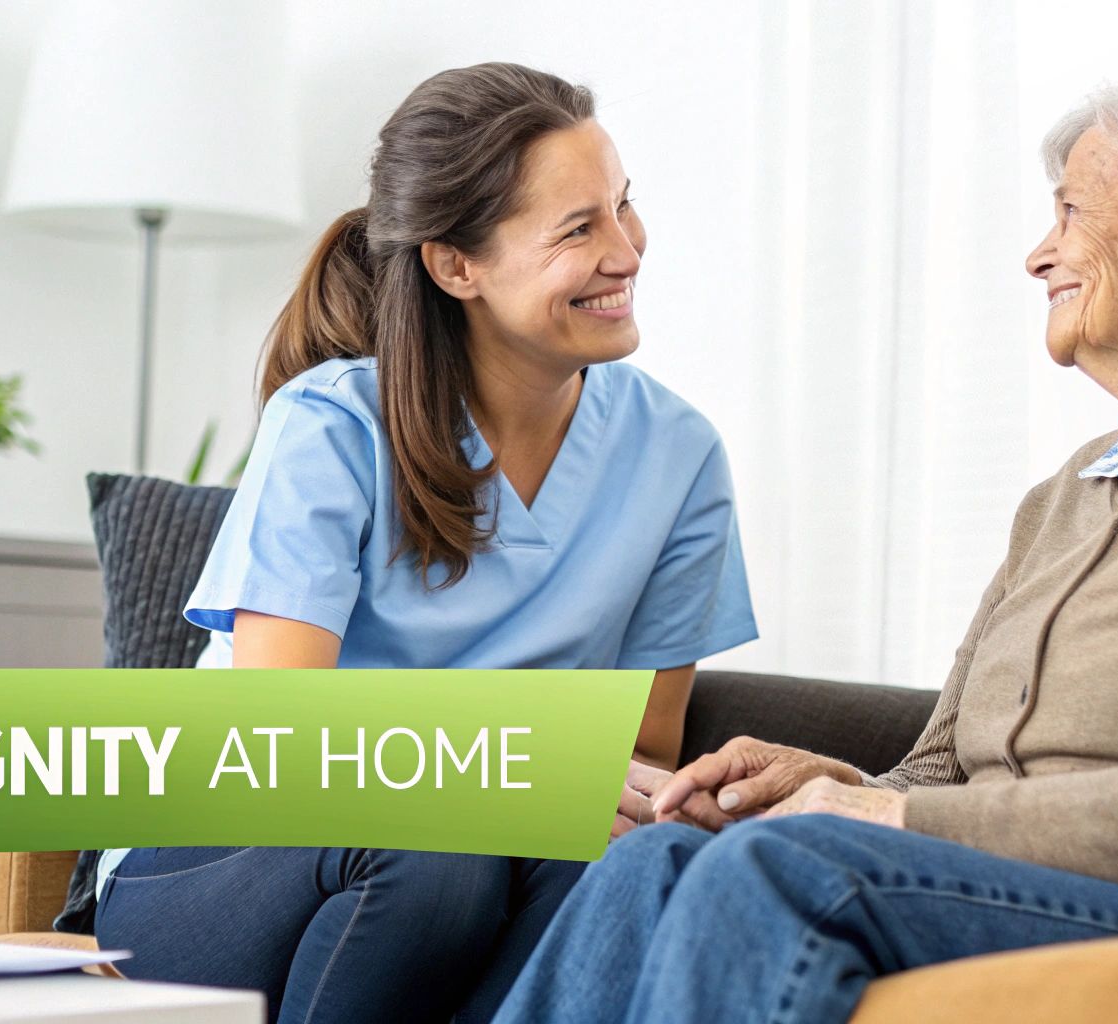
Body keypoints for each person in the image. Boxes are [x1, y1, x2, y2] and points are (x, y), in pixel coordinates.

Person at [491, 51, 1118, 1024]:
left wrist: (884, 822)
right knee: (653, 856)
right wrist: (821, 785)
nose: (1038, 252)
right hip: (992, 885)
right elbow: (937, 775)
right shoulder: (1068, 492)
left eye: (1069, 211)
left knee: (778, 870)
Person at [91, 62, 757, 1024]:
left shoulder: (678, 454)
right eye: (579, 227)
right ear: (456, 266)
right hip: (223, 865)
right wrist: (515, 774)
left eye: (623, 205)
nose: (627, 250)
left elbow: (643, 748)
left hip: (487, 861)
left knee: (625, 857)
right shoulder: (330, 424)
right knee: (431, 842)